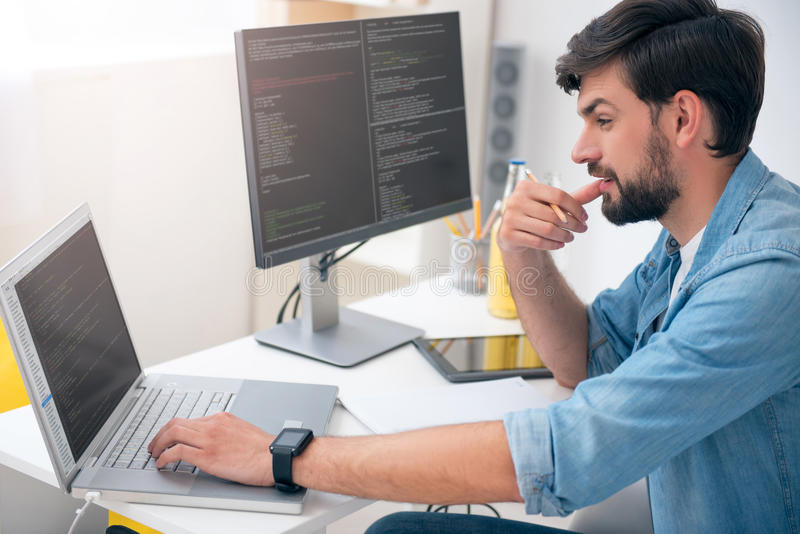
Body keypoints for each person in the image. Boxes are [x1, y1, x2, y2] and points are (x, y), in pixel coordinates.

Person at [148, 0, 800, 532]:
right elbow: (589, 359)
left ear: (683, 118)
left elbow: (570, 454)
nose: (580, 150)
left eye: (603, 119)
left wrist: (286, 456)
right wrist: (517, 252)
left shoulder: (768, 276)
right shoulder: (696, 237)